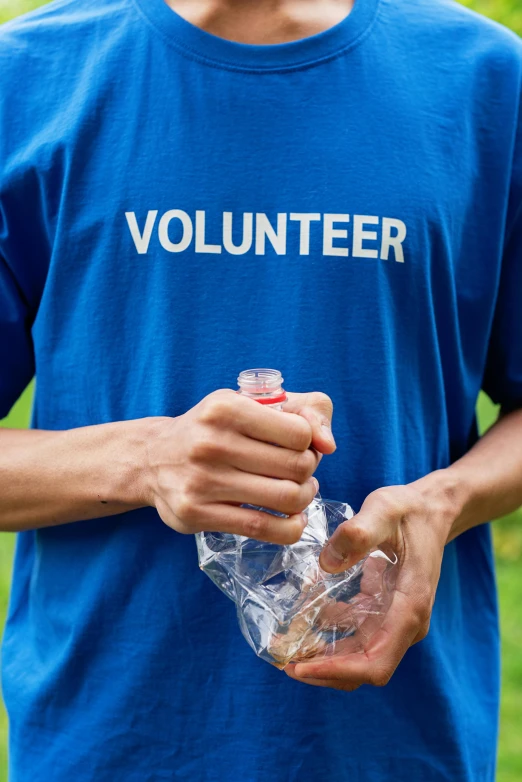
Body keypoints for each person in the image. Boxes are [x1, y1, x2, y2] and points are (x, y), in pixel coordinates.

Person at [0, 0, 521, 778]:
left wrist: (446, 501)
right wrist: (146, 461)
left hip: (396, 746)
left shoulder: (483, 79)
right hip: (108, 743)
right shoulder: (29, 77)